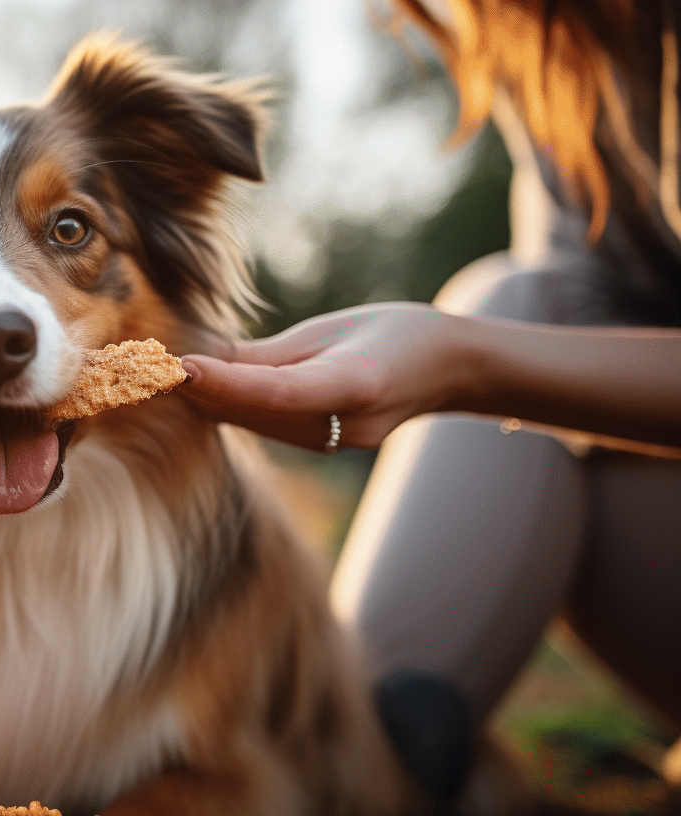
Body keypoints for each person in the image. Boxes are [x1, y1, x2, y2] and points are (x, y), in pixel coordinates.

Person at [177, 0, 681, 805]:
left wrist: (466, 362)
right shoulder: (558, 36)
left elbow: (517, 342)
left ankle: (336, 770)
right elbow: (569, 299)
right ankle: (351, 755)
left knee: (506, 310)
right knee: (518, 299)